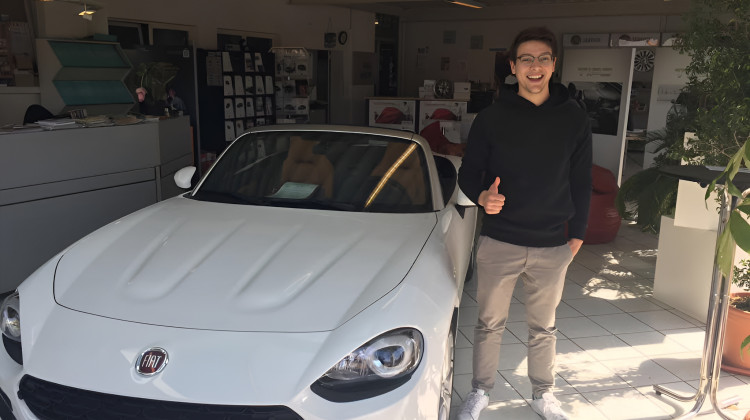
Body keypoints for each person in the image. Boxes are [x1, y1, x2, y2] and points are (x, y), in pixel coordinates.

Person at [456, 27, 592, 420]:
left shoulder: (574, 118)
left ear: (554, 64)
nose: (535, 66)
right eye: (526, 59)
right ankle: (480, 391)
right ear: (513, 67)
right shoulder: (491, 118)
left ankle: (543, 394)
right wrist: (482, 196)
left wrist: (578, 235)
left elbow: (581, 180)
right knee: (489, 324)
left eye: (543, 58)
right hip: (500, 241)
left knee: (544, 328)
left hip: (552, 244)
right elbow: (469, 172)